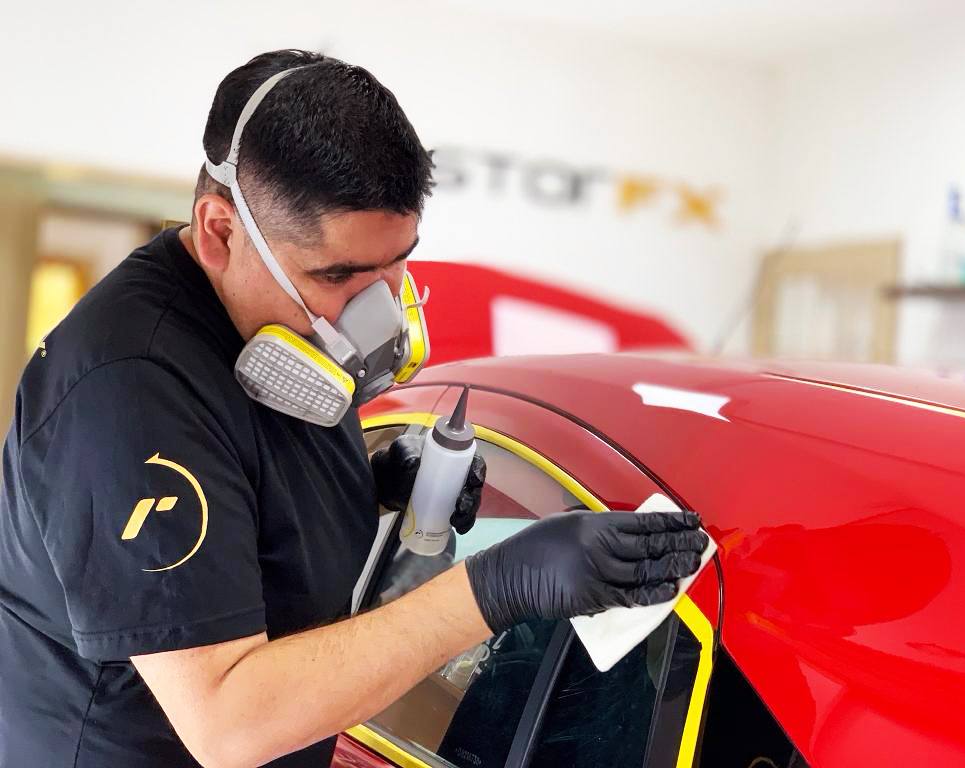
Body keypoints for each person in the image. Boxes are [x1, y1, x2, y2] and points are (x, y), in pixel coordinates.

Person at [0, 49, 709, 767]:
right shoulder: (128, 392)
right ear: (220, 231)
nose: (375, 315)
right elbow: (229, 724)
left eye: (395, 265)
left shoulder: (274, 324)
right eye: (339, 275)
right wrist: (495, 587)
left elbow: (243, 487)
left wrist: (371, 482)